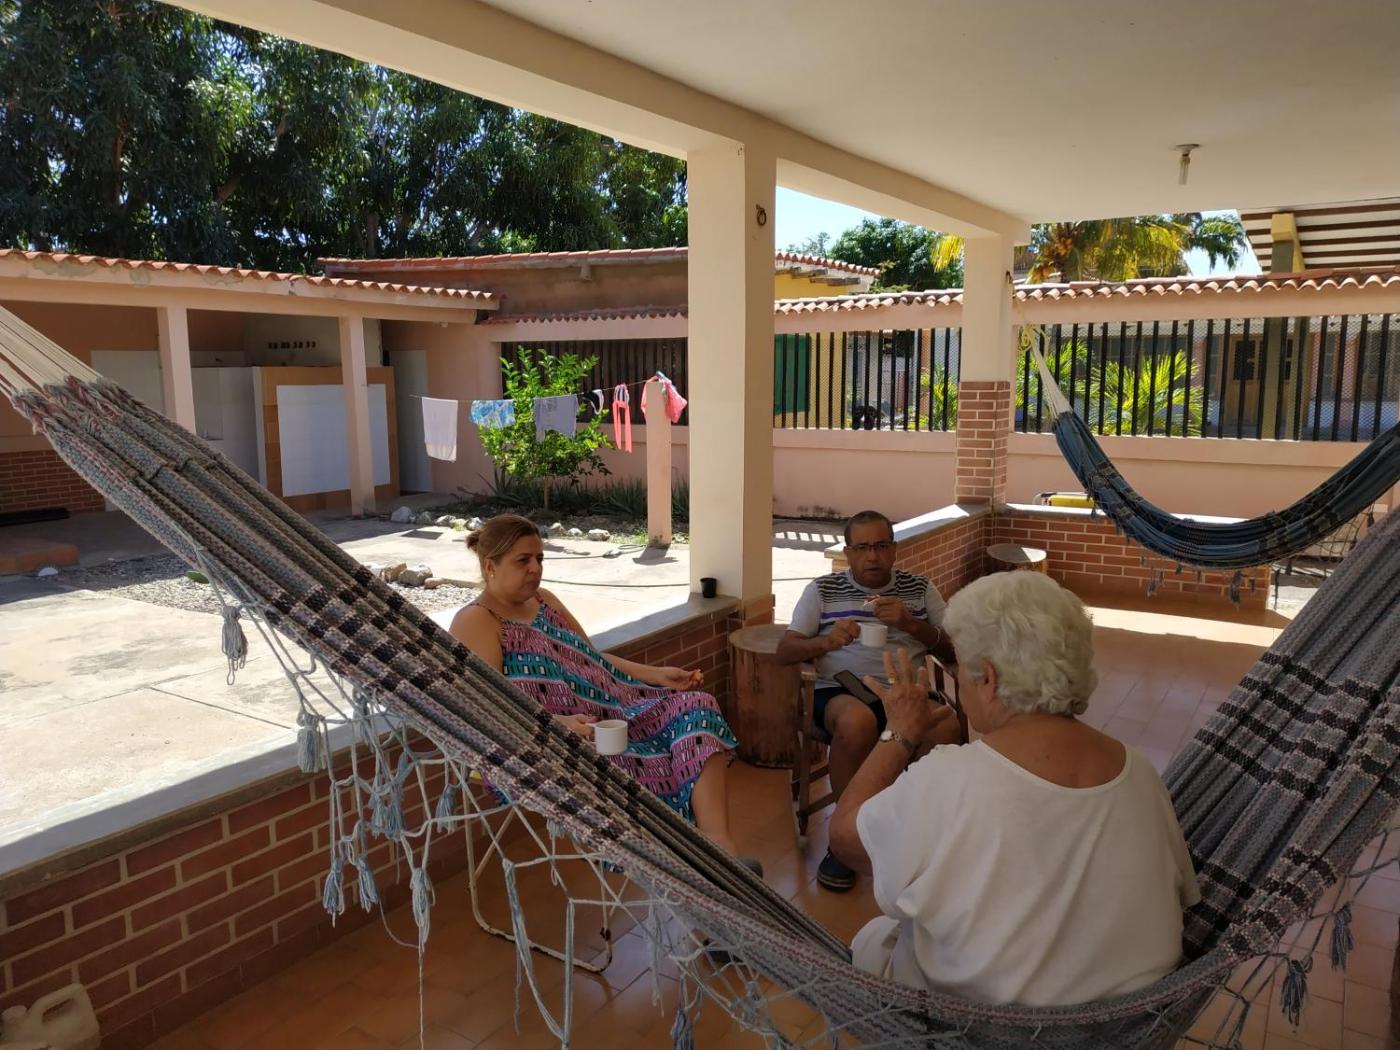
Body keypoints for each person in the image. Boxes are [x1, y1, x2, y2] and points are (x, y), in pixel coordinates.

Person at [828, 571, 1200, 1007]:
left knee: (875, 936)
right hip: (1130, 1022)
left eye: (959, 667)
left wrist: (899, 734)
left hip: (978, 1026)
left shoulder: (953, 778)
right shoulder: (1140, 772)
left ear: (987, 679)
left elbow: (845, 840)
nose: (959, 680)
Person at [449, 514, 748, 860]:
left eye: (539, 558)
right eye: (523, 560)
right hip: (554, 740)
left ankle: (718, 845)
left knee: (696, 706)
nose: (535, 568)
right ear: (491, 567)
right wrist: (557, 724)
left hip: (615, 710)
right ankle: (674, 860)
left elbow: (591, 657)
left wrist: (656, 675)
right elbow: (486, 704)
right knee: (621, 764)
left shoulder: (544, 600)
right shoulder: (477, 621)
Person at [776, 510, 954, 892]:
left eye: (880, 546)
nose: (872, 556)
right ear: (848, 552)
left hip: (906, 689)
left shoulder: (920, 589)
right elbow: (785, 651)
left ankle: (921, 834)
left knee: (949, 727)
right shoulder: (822, 590)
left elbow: (955, 647)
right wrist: (826, 642)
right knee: (858, 723)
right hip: (842, 690)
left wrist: (910, 624)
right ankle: (845, 841)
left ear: (894, 549)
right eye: (862, 548)